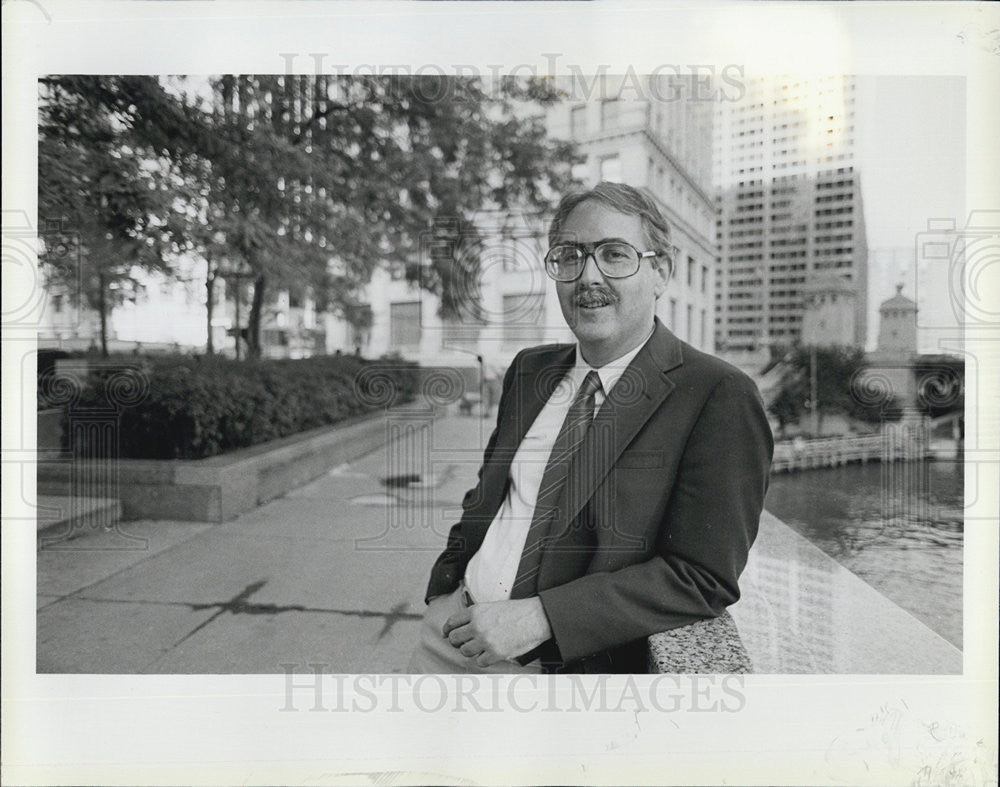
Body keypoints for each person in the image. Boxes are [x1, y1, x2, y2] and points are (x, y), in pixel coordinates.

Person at [408, 182, 773, 674]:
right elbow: (488, 495)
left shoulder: (717, 395)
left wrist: (543, 617)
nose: (588, 276)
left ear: (660, 271)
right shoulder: (529, 371)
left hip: (556, 671)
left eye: (615, 255)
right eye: (570, 256)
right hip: (449, 636)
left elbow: (703, 576)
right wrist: (443, 587)